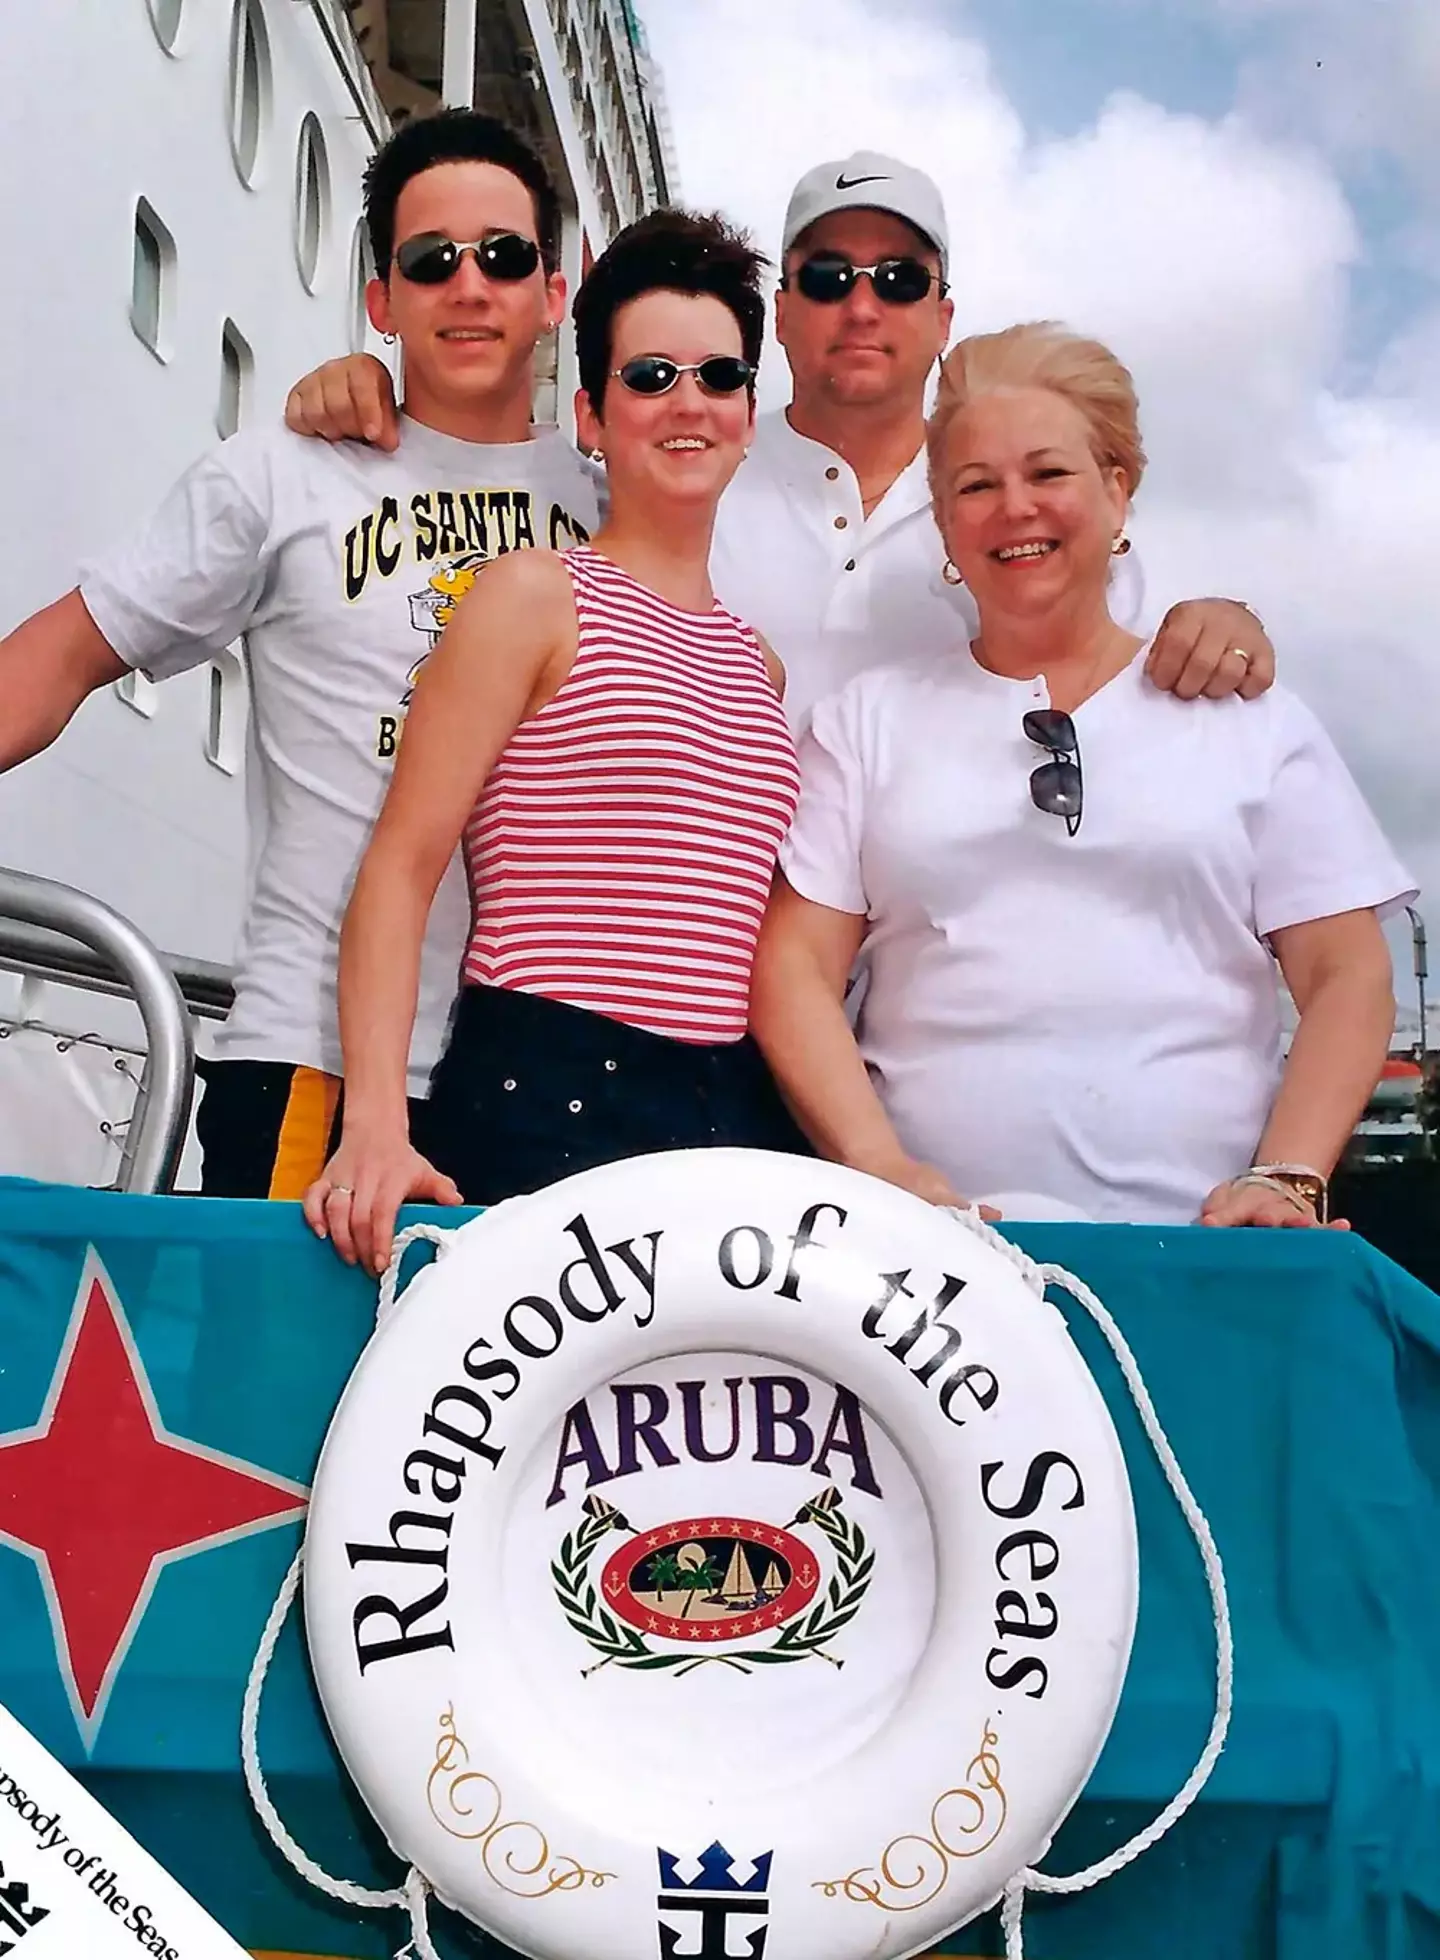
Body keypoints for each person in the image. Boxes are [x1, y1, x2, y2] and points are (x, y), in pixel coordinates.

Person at [0, 111, 602, 1197]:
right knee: (286, 1375)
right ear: (381, 300)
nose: (470, 286)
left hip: (552, 1075)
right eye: (432, 261)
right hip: (313, 1065)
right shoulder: (281, 473)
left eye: (505, 257)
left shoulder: (613, 503)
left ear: (553, 292)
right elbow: (63, 657)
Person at [748, 322, 1415, 1229]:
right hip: (934, 1287)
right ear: (944, 522)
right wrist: (882, 1170)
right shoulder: (864, 724)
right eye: (975, 485)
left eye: (1049, 474)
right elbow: (791, 967)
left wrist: (1287, 1177)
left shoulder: (1251, 717)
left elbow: (1347, 973)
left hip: (1203, 1255)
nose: (1013, 506)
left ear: (1118, 490)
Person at [284, 151, 1276, 725]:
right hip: (692, 983)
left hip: (918, 991)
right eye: (828, 276)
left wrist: (1223, 619)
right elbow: (488, 464)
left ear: (943, 316)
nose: (861, 304)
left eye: (897, 280)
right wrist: (368, 385)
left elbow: (1133, 650)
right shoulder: (676, 468)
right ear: (785, 313)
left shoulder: (1011, 510)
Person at [302, 211, 805, 1275]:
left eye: (718, 375)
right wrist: (378, 1124)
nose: (688, 403)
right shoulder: (532, 596)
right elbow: (400, 868)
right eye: (651, 374)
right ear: (591, 412)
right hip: (550, 1088)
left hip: (737, 1115)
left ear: (751, 415)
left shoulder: (758, 664)